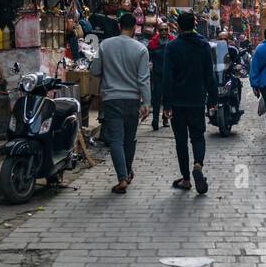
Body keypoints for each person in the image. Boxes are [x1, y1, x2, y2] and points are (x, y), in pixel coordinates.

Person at [89, 12, 151, 194]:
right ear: (134, 29)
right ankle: (128, 171)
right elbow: (144, 79)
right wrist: (146, 102)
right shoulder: (141, 49)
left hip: (111, 99)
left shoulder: (105, 45)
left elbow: (94, 71)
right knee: (129, 138)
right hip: (132, 100)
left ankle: (122, 177)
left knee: (116, 139)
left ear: (119, 26)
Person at [164, 10, 217, 195]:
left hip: (178, 102)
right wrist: (213, 99)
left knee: (180, 141)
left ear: (178, 26)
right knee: (197, 136)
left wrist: (166, 104)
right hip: (196, 99)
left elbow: (167, 78)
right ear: (194, 25)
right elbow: (209, 75)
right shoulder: (203, 46)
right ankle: (198, 165)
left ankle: (186, 179)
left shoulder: (171, 47)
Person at [146, 20, 172, 131]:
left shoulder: (172, 41)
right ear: (158, 31)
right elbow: (148, 57)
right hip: (157, 74)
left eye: (165, 29)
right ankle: (155, 120)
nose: (164, 32)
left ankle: (165, 118)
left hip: (169, 74)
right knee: (156, 99)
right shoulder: (153, 43)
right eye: (161, 30)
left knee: (168, 98)